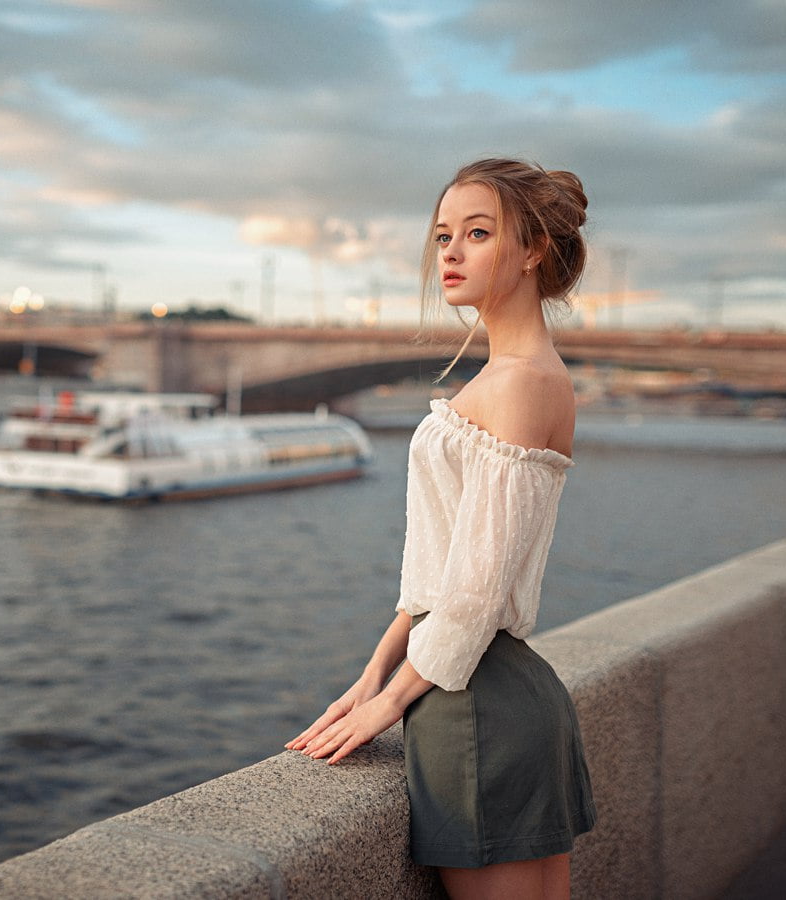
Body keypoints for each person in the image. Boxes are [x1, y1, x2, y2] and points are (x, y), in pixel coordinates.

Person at [287, 158, 596, 900]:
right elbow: (434, 571)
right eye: (442, 235)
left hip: (474, 705)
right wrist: (370, 675)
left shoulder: (522, 382)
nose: (450, 253)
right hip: (491, 693)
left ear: (532, 252)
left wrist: (392, 702)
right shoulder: (509, 377)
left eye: (478, 233)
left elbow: (476, 592)